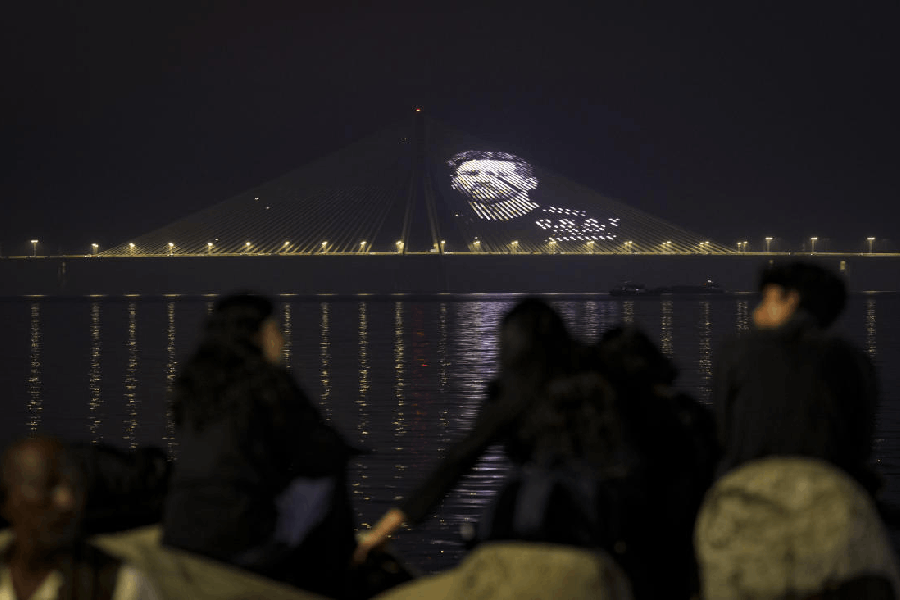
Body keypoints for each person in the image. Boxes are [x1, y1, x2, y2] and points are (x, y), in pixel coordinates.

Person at [161, 293, 362, 598]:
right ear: (258, 334)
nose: (281, 338)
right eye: (275, 329)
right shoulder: (266, 381)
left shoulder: (192, 383)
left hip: (179, 532)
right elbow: (322, 449)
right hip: (239, 538)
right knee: (325, 480)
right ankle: (335, 582)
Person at [353, 298, 581, 563]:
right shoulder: (593, 384)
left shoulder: (517, 395)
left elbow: (459, 459)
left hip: (547, 526)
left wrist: (385, 530)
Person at [712, 260, 880, 496]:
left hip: (751, 490)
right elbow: (861, 445)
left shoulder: (737, 352)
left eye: (766, 299)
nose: (756, 310)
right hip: (830, 492)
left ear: (791, 300)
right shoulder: (855, 360)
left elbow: (725, 434)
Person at [0, 436, 160, 600]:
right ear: (8, 498)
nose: (67, 500)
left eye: (74, 486)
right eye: (48, 485)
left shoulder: (119, 584)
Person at [447, 150, 620, 243]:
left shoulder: (564, 220)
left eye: (499, 174)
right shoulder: (454, 223)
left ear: (530, 183)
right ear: (454, 182)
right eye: (472, 173)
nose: (484, 179)